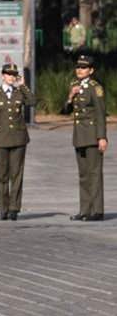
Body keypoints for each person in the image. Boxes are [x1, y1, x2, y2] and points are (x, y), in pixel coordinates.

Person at [0, 62, 33, 220]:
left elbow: (32, 102)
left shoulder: (20, 93)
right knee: (2, 176)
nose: (12, 77)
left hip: (19, 139)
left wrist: (24, 86)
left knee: (17, 175)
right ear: (3, 76)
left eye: (14, 75)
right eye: (9, 75)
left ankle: (14, 208)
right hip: (1, 140)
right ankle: (3, 209)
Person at [63, 54, 107, 221]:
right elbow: (66, 110)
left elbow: (100, 114)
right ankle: (84, 209)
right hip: (79, 135)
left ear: (91, 70)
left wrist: (102, 137)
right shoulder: (74, 86)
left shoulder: (95, 88)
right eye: (78, 67)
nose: (79, 70)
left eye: (83, 68)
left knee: (94, 172)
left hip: (92, 134)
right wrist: (70, 96)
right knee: (83, 174)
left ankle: (97, 210)